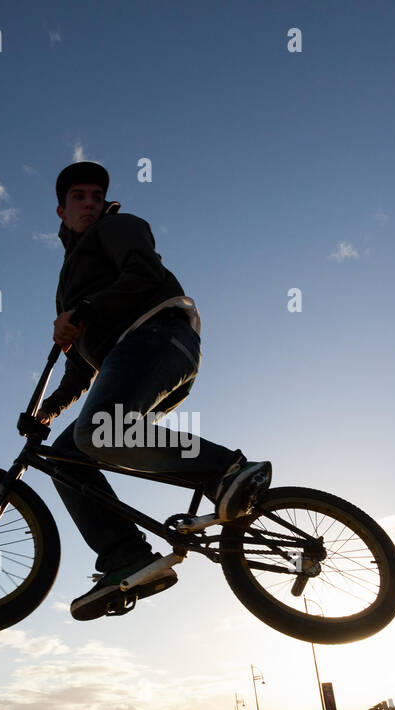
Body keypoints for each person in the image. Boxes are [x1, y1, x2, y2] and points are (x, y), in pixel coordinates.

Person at [31, 162, 272, 622]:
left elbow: (142, 273)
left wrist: (82, 308)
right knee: (67, 458)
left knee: (99, 433)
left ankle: (226, 468)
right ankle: (127, 556)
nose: (89, 203)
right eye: (78, 197)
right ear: (60, 210)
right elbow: (81, 366)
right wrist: (49, 409)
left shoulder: (119, 226)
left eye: (95, 195)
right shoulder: (70, 279)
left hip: (158, 336)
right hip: (129, 361)